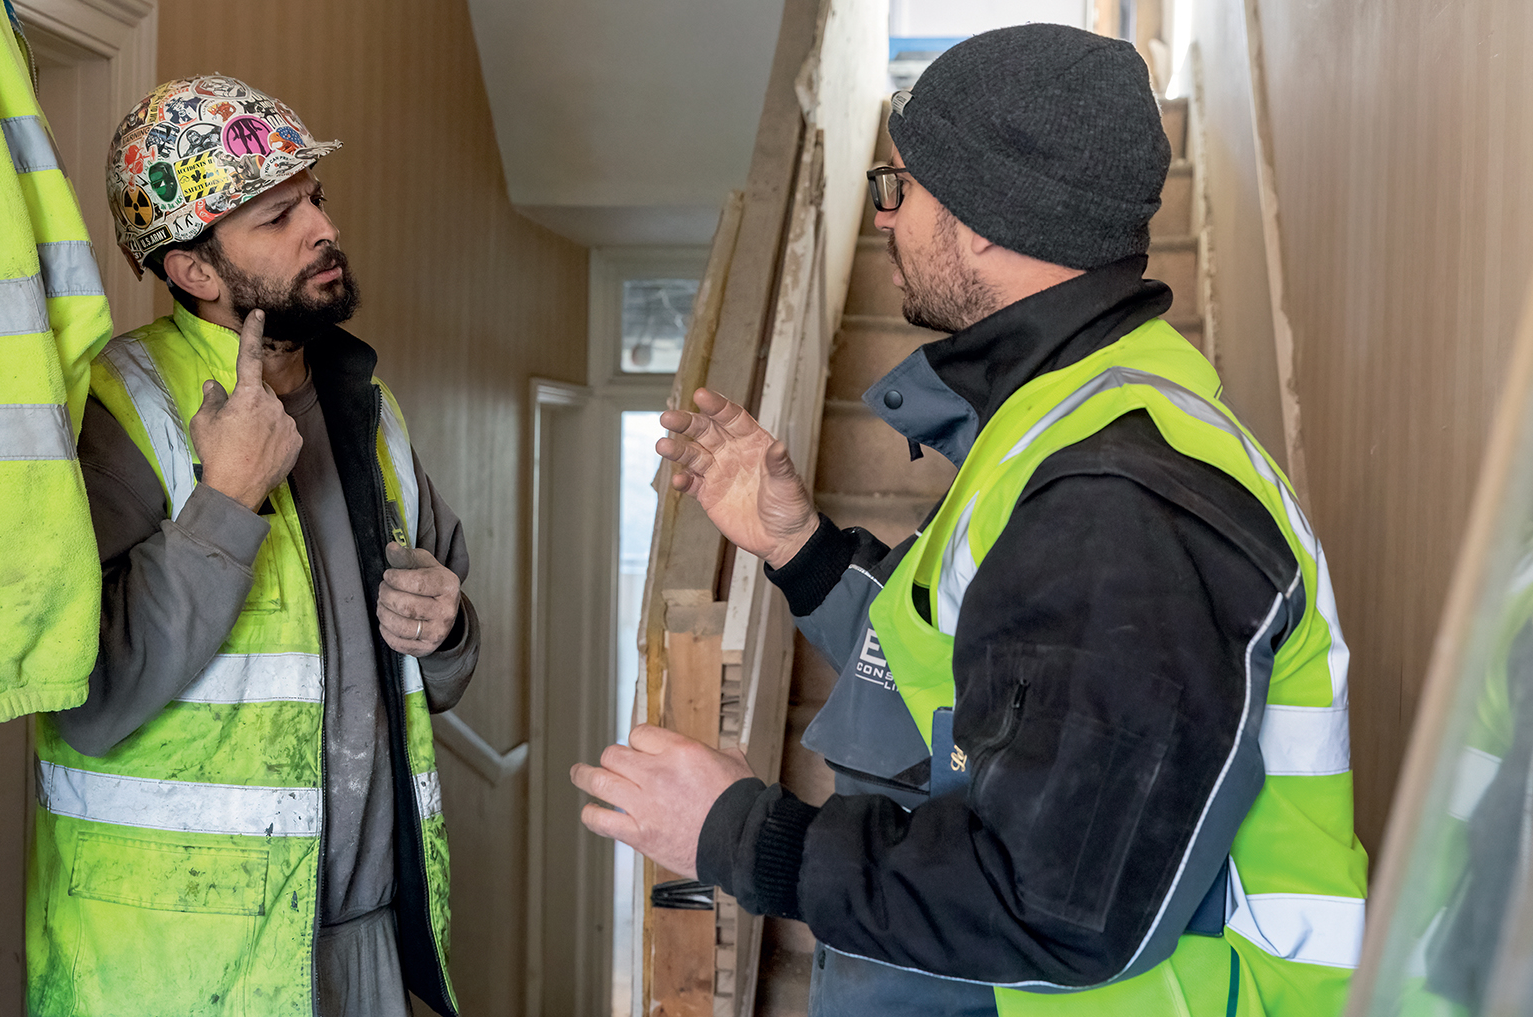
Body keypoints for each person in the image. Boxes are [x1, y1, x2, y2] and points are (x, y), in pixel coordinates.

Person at [571, 24, 1366, 1017]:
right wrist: (797, 547)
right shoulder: (1061, 423)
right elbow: (958, 677)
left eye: (899, 187)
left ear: (988, 218)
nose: (883, 216)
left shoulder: (1122, 498)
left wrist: (737, 833)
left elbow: (1048, 905)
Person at [26, 76, 477, 1017]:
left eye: (316, 197)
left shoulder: (368, 407)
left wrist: (449, 627)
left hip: (362, 942)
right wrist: (226, 500)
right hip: (175, 967)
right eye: (279, 216)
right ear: (195, 271)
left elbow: (435, 655)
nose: (324, 228)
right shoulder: (119, 407)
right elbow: (86, 699)